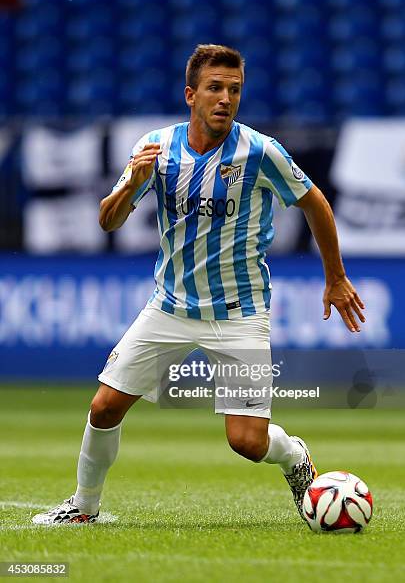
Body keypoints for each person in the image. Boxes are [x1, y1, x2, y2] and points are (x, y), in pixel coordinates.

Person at [33, 44, 365, 525]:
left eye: (234, 90)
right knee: (104, 407)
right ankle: (84, 506)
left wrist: (335, 277)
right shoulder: (156, 148)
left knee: (247, 442)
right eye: (214, 88)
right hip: (169, 308)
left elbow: (315, 202)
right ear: (191, 94)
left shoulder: (261, 151)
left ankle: (294, 456)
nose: (225, 99)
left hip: (239, 313)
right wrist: (130, 185)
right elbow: (108, 220)